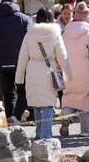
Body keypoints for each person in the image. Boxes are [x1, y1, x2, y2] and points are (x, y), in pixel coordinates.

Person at [15, 8, 71, 140]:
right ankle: (46, 136)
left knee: (36, 104)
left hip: (32, 70)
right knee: (47, 104)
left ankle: (39, 133)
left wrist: (19, 79)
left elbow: (22, 57)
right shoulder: (55, 34)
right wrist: (69, 75)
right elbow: (63, 56)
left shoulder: (29, 34)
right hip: (48, 70)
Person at [0, 0, 33, 123]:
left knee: (7, 94)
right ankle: (15, 117)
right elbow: (32, 40)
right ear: (15, 0)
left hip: (1, 62)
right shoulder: (24, 19)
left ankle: (9, 118)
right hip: (21, 62)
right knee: (23, 92)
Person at [60, 2, 89, 137]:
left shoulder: (65, 31)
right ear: (87, 15)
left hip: (68, 70)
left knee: (69, 95)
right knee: (87, 98)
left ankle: (65, 116)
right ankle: (86, 129)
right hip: (86, 70)